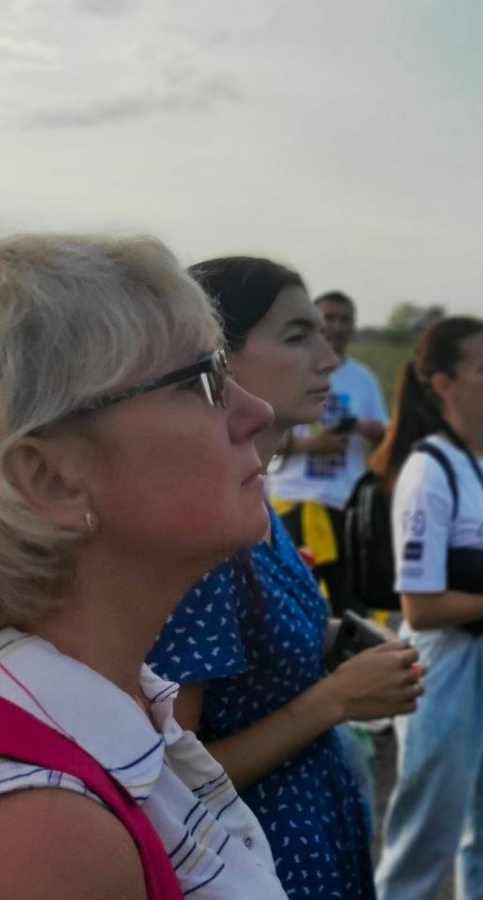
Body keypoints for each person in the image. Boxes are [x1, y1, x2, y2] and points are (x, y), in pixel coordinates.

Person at [0, 233, 287, 897]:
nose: (257, 413)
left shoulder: (127, 698)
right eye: (198, 382)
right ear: (51, 480)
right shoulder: (50, 831)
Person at [146, 257, 422, 899]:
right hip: (262, 856)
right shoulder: (205, 531)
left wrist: (333, 639)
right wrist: (338, 699)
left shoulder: (251, 494)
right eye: (299, 337)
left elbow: (244, 648)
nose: (329, 359)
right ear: (218, 359)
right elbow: (172, 773)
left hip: (309, 837)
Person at [373, 316, 483, 900]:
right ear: (444, 384)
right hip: (446, 664)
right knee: (426, 831)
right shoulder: (427, 471)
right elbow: (423, 606)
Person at [267, 289, 388, 615]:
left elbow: (386, 439)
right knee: (292, 605)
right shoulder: (289, 370)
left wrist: (369, 431)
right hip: (294, 503)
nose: (336, 326)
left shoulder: (363, 379)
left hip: (344, 504)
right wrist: (310, 445)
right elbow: (261, 437)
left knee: (350, 606)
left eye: (344, 319)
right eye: (328, 318)